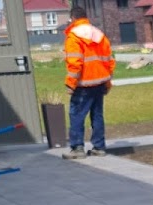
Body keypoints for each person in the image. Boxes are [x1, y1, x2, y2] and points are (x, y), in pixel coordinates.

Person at [62, 7, 115, 159]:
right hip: (100, 83)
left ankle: (78, 148)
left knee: (76, 115)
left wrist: (71, 84)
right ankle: (99, 147)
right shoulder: (99, 35)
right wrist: (108, 82)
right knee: (97, 115)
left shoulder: (74, 36)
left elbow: (75, 63)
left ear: (73, 18)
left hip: (83, 84)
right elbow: (109, 61)